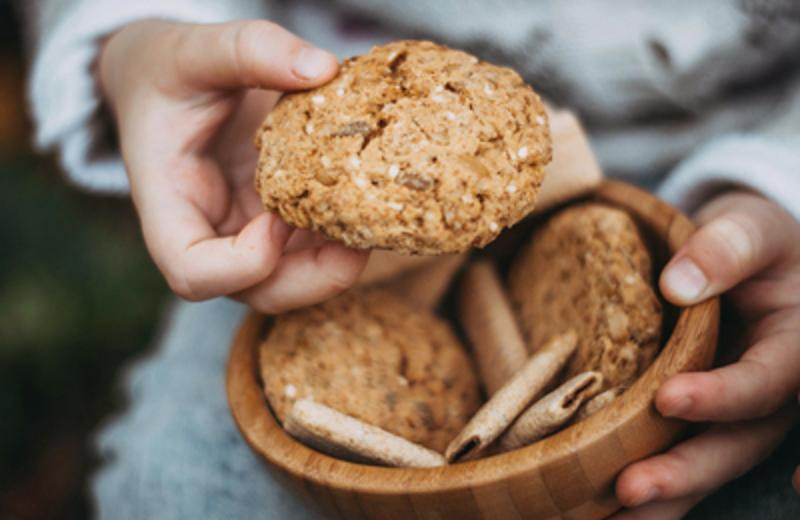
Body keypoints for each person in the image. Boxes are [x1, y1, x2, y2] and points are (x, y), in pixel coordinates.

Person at [24, 0, 800, 518]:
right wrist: (137, 40)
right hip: (287, 164)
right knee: (177, 484)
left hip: (745, 178)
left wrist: (782, 183)